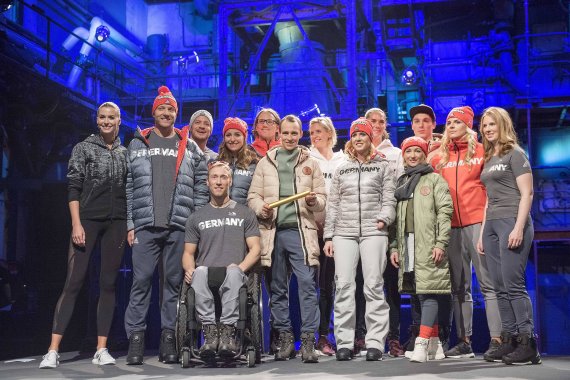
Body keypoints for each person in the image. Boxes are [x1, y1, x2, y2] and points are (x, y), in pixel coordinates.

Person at [40, 102, 127, 369]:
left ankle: (101, 348)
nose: (106, 121)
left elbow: (131, 190)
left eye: (111, 117)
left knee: (108, 284)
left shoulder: (126, 153)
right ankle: (53, 350)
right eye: (102, 117)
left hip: (117, 222)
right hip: (87, 220)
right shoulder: (83, 148)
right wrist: (76, 224)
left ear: (119, 120)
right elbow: (73, 187)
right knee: (74, 282)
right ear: (97, 120)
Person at [123, 86, 205, 365]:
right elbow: (130, 186)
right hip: (145, 225)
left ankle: (168, 338)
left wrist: (195, 224)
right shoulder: (138, 143)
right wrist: (131, 223)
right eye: (162, 108)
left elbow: (201, 186)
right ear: (154, 112)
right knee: (141, 282)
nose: (167, 113)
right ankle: (136, 340)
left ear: (176, 113)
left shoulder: (189, 145)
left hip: (178, 227)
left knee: (172, 285)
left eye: (171, 109)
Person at [247, 114, 326, 363]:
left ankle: (308, 340)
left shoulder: (310, 163)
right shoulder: (265, 162)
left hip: (301, 231)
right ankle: (285, 338)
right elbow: (253, 196)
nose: (290, 137)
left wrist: (314, 202)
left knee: (306, 285)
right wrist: (262, 208)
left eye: (295, 133)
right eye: (286, 133)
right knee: (277, 288)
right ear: (279, 134)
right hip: (273, 232)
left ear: (300, 134)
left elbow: (322, 199)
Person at [431, 106, 501, 359]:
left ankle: (497, 339)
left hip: (478, 224)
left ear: (467, 126)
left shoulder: (483, 151)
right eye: (448, 121)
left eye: (456, 122)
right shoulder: (438, 157)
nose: (450, 125)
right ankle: (464, 341)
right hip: (451, 227)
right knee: (459, 288)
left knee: (488, 284)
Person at [323, 117, 396, 362]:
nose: (358, 139)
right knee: (343, 286)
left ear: (370, 138)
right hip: (344, 232)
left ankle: (375, 342)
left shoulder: (383, 165)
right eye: (354, 135)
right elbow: (332, 204)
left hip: (374, 232)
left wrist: (384, 218)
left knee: (374, 285)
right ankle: (344, 342)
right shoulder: (342, 167)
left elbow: (389, 197)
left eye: (362, 134)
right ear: (350, 139)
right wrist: (329, 236)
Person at [479, 107, 541, 365]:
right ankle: (509, 339)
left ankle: (528, 343)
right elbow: (487, 199)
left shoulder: (516, 153)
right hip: (492, 224)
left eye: (492, 124)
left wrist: (518, 227)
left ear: (502, 125)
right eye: (484, 126)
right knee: (499, 287)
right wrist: (483, 233)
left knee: (514, 285)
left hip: (512, 222)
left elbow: (527, 193)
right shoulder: (488, 157)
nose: (488, 129)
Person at [182, 161, 261, 358]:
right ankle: (210, 335)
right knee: (198, 272)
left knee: (234, 273)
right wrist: (189, 268)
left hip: (235, 272)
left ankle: (227, 335)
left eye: (223, 177)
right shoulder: (196, 217)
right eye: (214, 177)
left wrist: (241, 267)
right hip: (206, 274)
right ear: (207, 182)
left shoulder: (245, 213)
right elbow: (188, 253)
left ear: (230, 181)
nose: (218, 182)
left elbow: (256, 249)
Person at [389, 136, 453, 363]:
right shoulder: (402, 182)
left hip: (428, 243)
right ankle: (435, 347)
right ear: (403, 155)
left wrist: (440, 243)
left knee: (429, 292)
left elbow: (445, 213)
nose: (413, 155)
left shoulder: (435, 180)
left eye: (417, 151)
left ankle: (421, 343)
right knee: (416, 293)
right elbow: (397, 221)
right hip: (407, 243)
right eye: (409, 151)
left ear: (425, 154)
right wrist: (395, 246)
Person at [405, 103, 452, 356]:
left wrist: (440, 240)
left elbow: (443, 205)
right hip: (413, 236)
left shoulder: (443, 151)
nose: (421, 124)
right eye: (416, 121)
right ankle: (425, 337)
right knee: (417, 288)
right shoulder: (405, 169)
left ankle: (439, 337)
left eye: (426, 120)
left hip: (440, 230)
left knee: (440, 287)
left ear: (434, 124)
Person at [363, 107, 405, 357]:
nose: (376, 125)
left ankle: (394, 338)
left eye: (380, 121)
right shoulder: (350, 153)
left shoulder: (396, 154)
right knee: (362, 286)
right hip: (358, 227)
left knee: (391, 286)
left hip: (387, 227)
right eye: (372, 121)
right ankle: (363, 337)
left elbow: (398, 190)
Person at [308, 116, 345, 356]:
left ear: (330, 133)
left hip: (340, 231)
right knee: (315, 286)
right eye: (311, 132)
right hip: (314, 231)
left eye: (319, 131)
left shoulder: (344, 159)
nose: (314, 135)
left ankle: (339, 335)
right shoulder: (308, 159)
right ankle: (317, 335)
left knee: (336, 286)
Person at [217, 117, 259, 205]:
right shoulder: (216, 162)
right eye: (228, 135)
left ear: (244, 137)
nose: (232, 139)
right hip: (220, 215)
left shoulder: (254, 162)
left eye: (237, 135)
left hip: (245, 215)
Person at [188, 109, 219, 208]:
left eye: (206, 124)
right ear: (190, 127)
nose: (202, 126)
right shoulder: (180, 153)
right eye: (197, 122)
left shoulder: (216, 158)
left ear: (210, 131)